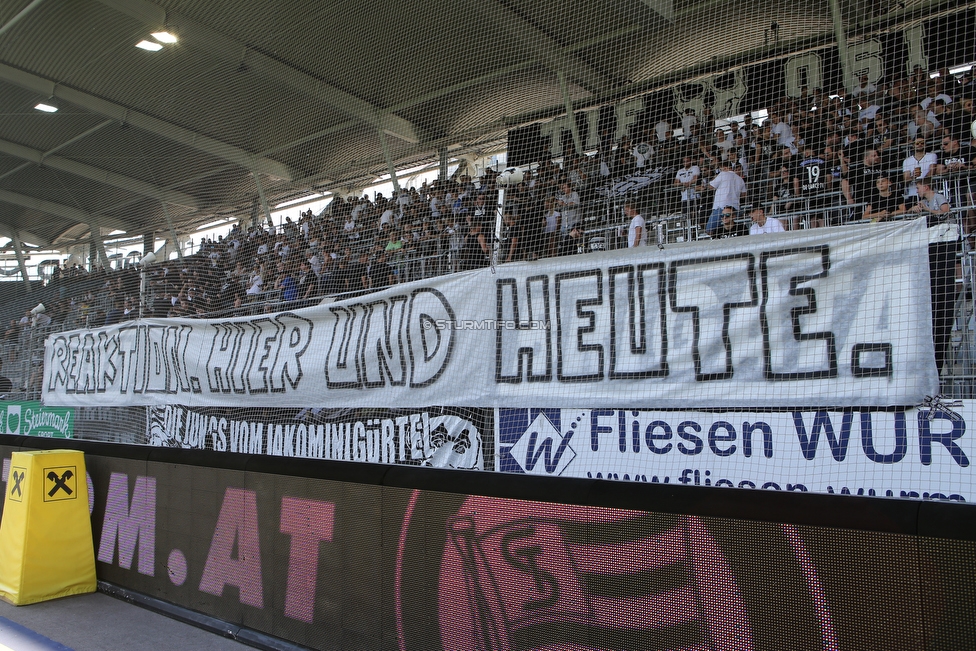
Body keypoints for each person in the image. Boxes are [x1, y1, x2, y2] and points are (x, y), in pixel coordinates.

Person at [912, 179, 958, 377]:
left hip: (945, 239)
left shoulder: (937, 197)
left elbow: (946, 212)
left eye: (919, 187)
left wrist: (927, 211)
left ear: (926, 187)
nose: (917, 190)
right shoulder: (926, 202)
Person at [706, 160, 746, 235]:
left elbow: (711, 186)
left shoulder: (723, 174)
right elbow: (744, 195)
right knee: (733, 229)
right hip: (735, 207)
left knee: (710, 229)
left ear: (724, 168)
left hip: (722, 207)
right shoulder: (740, 179)